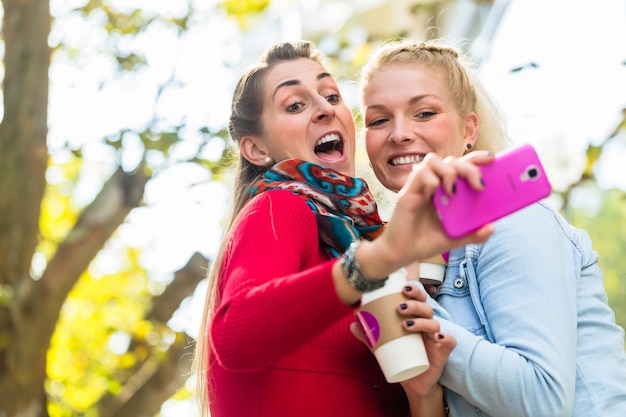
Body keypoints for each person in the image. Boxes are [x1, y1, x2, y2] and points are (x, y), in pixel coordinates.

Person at [192, 40, 497, 417]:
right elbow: (234, 336)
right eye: (295, 104)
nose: (324, 109)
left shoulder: (380, 240)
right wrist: (375, 260)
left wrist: (422, 396)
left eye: (331, 96)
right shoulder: (280, 208)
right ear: (255, 149)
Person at [359, 38, 626, 417]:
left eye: (424, 113)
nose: (398, 133)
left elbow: (543, 400)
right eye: (379, 120)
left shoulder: (512, 221)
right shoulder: (407, 255)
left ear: (470, 130)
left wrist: (415, 311)